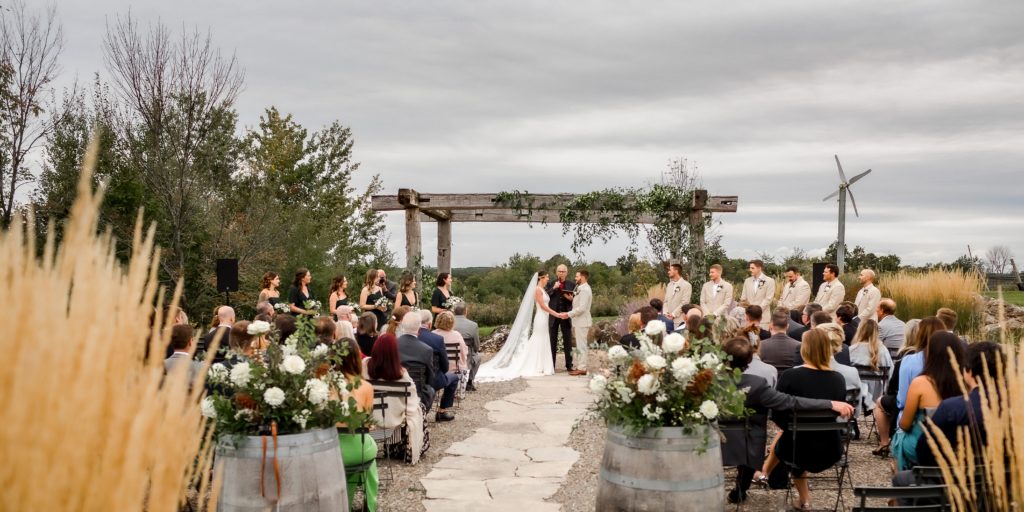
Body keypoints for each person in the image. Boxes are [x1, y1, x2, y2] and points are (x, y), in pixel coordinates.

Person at [721, 336, 853, 504]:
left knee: (784, 436)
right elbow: (791, 402)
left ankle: (759, 477)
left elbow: (781, 412)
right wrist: (828, 404)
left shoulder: (707, 381)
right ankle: (745, 486)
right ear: (749, 359)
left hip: (789, 446)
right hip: (830, 447)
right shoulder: (758, 384)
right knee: (756, 436)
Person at [757, 329, 847, 510]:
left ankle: (802, 498)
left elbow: (777, 413)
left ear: (804, 349)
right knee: (793, 436)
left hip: (796, 448)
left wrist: (788, 427)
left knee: (789, 438)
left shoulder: (791, 376)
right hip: (831, 447)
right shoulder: (838, 379)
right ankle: (799, 496)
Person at [891, 332, 965, 470]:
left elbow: (905, 424)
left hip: (922, 445)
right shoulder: (966, 383)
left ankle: (901, 477)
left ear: (930, 353)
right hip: (957, 447)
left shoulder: (920, 383)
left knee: (899, 437)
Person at [872, 316, 942, 456]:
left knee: (882, 403)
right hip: (945, 421)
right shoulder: (952, 360)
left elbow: (901, 401)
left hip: (913, 418)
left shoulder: (909, 360)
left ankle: (885, 443)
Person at [477, 270, 563, 382]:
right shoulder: (537, 290)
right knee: (538, 339)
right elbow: (542, 306)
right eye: (546, 277)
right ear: (541, 278)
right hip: (541, 318)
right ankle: (535, 364)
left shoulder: (542, 290)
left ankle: (542, 365)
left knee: (543, 339)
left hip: (544, 318)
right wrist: (556, 314)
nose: (548, 279)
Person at [363, 333, 428, 464]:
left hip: (371, 418)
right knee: (420, 408)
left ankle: (394, 446)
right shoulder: (400, 373)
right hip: (394, 418)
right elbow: (412, 396)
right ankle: (404, 447)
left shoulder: (365, 366)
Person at [333, 337, 378, 511]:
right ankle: (371, 504)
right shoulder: (366, 386)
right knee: (369, 451)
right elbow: (367, 422)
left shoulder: (324, 383)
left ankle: (344, 502)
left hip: (331, 450)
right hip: (358, 451)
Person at [418, 310, 459, 422]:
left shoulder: (409, 337)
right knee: (454, 378)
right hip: (432, 379)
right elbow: (445, 366)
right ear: (430, 324)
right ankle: (442, 411)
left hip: (413, 378)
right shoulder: (437, 339)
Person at [395, 314, 436, 410]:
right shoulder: (426, 349)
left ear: (402, 325)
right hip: (418, 393)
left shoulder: (392, 345)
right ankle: (422, 416)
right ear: (419, 327)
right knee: (431, 390)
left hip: (394, 391)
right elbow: (430, 378)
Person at [849, 319, 893, 407]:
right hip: (877, 394)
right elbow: (890, 372)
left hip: (856, 393)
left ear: (860, 331)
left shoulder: (852, 350)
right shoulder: (883, 350)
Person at [545, 264, 575, 372]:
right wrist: (554, 288)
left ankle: (569, 365)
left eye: (563, 271)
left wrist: (572, 299)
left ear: (566, 273)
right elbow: (545, 296)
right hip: (553, 315)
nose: (561, 273)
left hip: (566, 315)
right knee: (552, 340)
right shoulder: (550, 283)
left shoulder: (571, 284)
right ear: (556, 272)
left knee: (568, 341)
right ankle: (551, 365)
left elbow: (575, 299)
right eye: (559, 271)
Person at [566, 269, 593, 376]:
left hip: (582, 322)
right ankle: (580, 366)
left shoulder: (585, 289)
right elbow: (579, 303)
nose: (575, 278)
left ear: (582, 277)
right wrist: (571, 298)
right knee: (580, 345)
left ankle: (582, 368)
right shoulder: (581, 288)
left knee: (581, 345)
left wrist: (568, 314)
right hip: (579, 321)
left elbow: (582, 308)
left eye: (577, 276)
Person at [452, 303, 481, 391]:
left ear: (454, 312)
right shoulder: (473, 325)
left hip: (449, 353)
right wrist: (475, 350)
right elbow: (476, 345)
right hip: (466, 355)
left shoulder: (448, 323)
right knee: (477, 358)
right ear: (466, 312)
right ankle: (470, 382)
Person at [740, 260, 776, 330]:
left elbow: (768, 299)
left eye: (752, 268)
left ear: (759, 268)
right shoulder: (747, 281)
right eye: (750, 268)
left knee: (762, 339)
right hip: (748, 318)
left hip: (763, 318)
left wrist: (756, 311)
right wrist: (746, 307)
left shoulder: (770, 281)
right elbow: (743, 297)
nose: (750, 270)